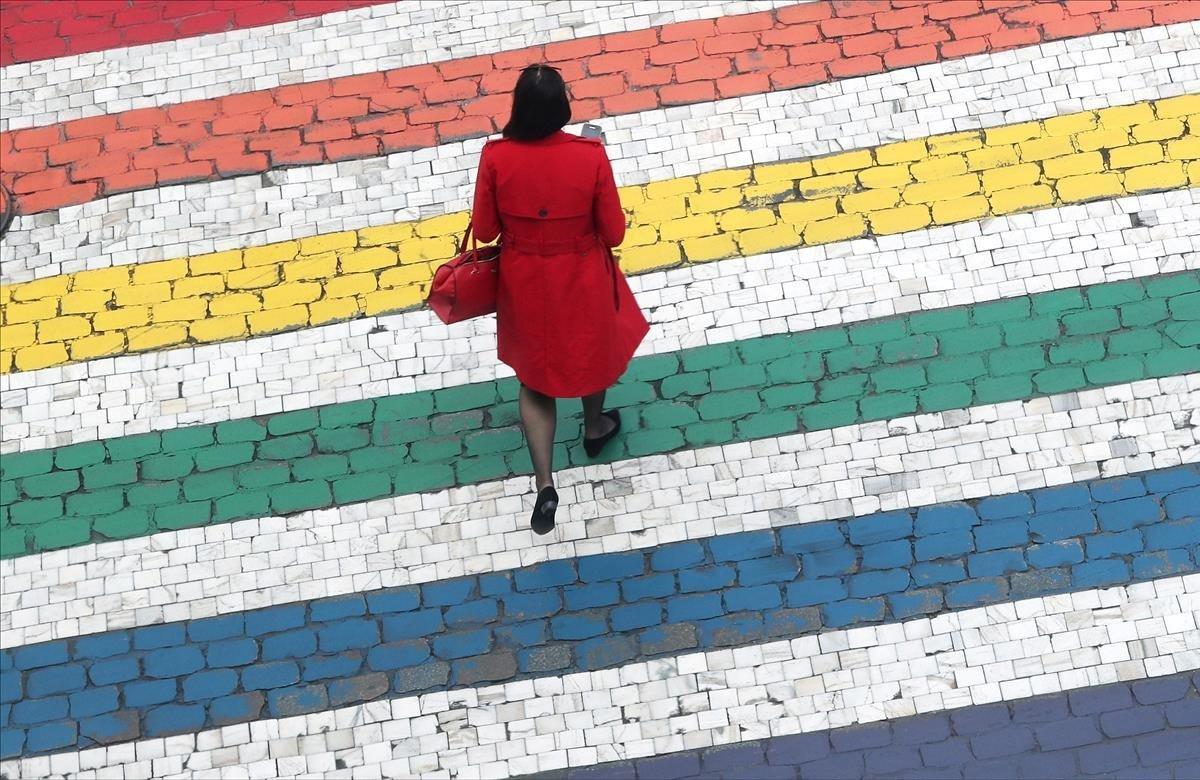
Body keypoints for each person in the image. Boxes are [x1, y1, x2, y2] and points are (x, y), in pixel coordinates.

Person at [470, 64, 649, 536]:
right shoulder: (589, 155)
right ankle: (594, 428)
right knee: (590, 354)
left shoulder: (495, 157)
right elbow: (614, 231)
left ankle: (545, 484)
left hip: (525, 280)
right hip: (581, 274)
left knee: (535, 380)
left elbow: (486, 231)